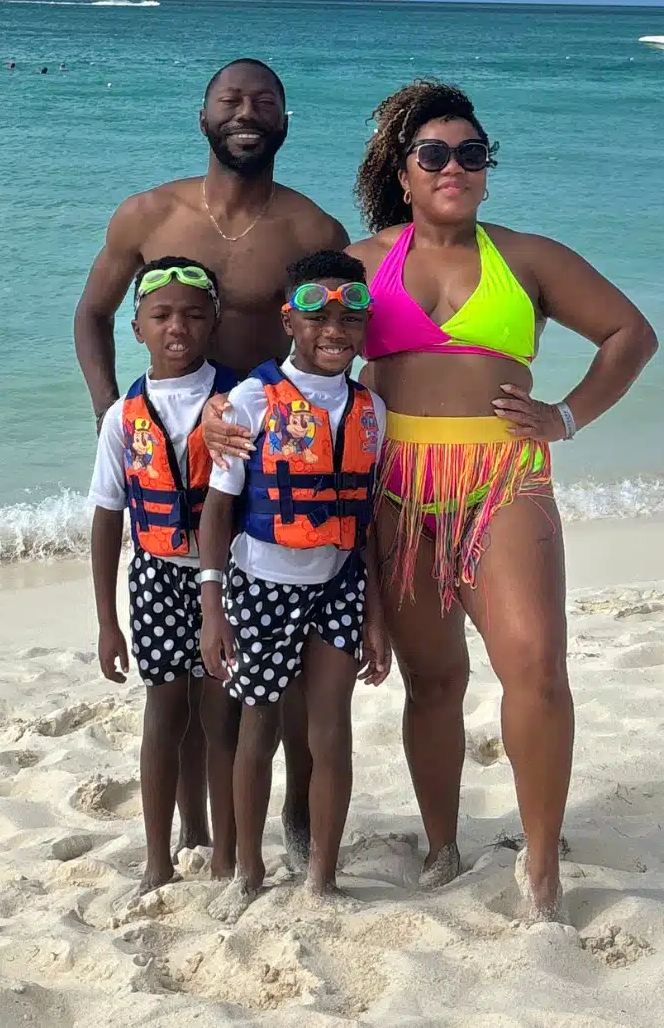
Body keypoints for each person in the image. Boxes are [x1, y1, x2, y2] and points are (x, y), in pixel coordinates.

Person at [347, 80, 658, 920]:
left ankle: (543, 868)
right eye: (434, 154)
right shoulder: (364, 263)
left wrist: (565, 416)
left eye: (472, 153)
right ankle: (442, 845)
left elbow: (632, 334)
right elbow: (303, 358)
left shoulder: (528, 258)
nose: (455, 166)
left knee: (536, 666)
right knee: (434, 679)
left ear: (488, 171)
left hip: (503, 478)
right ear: (404, 174)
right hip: (399, 489)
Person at [74, 57, 350, 864]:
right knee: (188, 679)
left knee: (276, 670)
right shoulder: (148, 214)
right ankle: (198, 834)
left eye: (265, 100)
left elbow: (337, 340)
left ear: (286, 123)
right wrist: (108, 416)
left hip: (266, 474)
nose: (247, 111)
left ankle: (288, 820)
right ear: (202, 117)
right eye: (230, 99)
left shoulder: (311, 231)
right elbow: (92, 314)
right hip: (169, 459)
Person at [199, 251, 392, 913]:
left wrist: (375, 613)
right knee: (259, 729)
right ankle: (248, 871)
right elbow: (217, 510)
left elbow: (364, 520)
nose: (334, 329)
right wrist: (211, 606)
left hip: (338, 581)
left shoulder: (372, 410)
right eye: (318, 315)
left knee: (330, 727)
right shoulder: (250, 402)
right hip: (262, 585)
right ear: (289, 319)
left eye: (350, 316)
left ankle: (323, 877)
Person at [88, 257, 242, 894]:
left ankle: (226, 848)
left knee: (220, 712)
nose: (177, 325)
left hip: (230, 577)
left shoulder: (238, 401)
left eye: (193, 314)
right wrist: (106, 623)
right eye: (162, 315)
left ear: (214, 323)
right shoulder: (124, 418)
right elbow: (106, 518)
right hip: (153, 574)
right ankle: (167, 851)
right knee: (165, 713)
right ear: (137, 329)